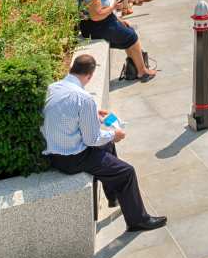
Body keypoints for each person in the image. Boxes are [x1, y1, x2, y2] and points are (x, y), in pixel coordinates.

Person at [41, 53, 165, 232]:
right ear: (90, 76)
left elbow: (67, 115)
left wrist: (95, 115)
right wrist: (114, 134)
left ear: (71, 69)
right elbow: (92, 140)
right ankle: (138, 221)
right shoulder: (84, 99)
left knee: (107, 146)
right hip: (73, 158)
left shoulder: (53, 87)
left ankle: (113, 195)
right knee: (127, 171)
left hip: (54, 153)